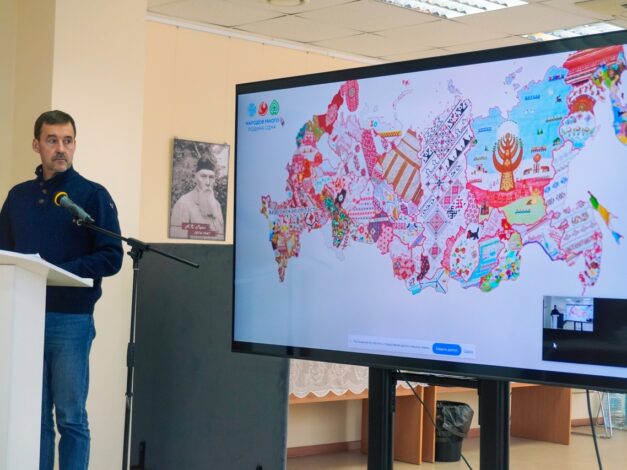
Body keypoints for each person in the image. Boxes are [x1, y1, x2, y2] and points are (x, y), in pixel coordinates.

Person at [0, 110, 123, 470]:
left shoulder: (91, 195)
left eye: (67, 141)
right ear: (36, 144)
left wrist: (61, 270)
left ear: (74, 145)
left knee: (70, 417)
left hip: (71, 320)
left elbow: (112, 256)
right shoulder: (18, 197)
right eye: (52, 140)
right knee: (34, 417)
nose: (60, 148)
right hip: (24, 316)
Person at [169, 157, 224, 239]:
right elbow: (178, 243)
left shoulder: (217, 205)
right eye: (203, 176)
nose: (208, 183)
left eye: (211, 177)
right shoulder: (183, 204)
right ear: (195, 178)